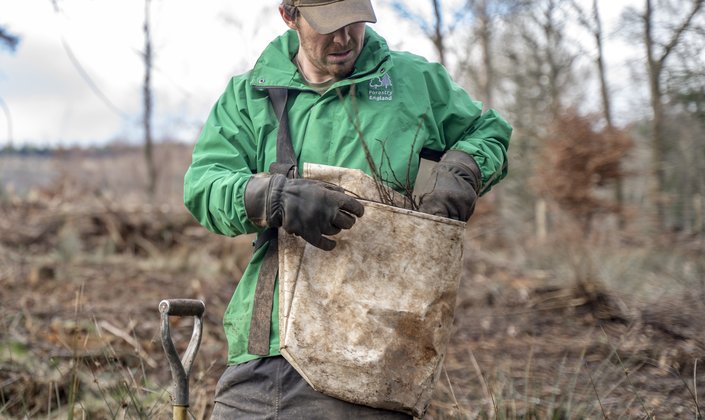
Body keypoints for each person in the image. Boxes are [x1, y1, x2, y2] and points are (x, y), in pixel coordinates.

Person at [183, 0, 511, 418]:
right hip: (265, 350)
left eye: (353, 20)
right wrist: (272, 196)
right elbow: (202, 185)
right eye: (327, 25)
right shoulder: (249, 97)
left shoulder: (414, 82)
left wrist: (462, 171)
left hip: (377, 349)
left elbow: (488, 133)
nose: (343, 38)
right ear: (289, 16)